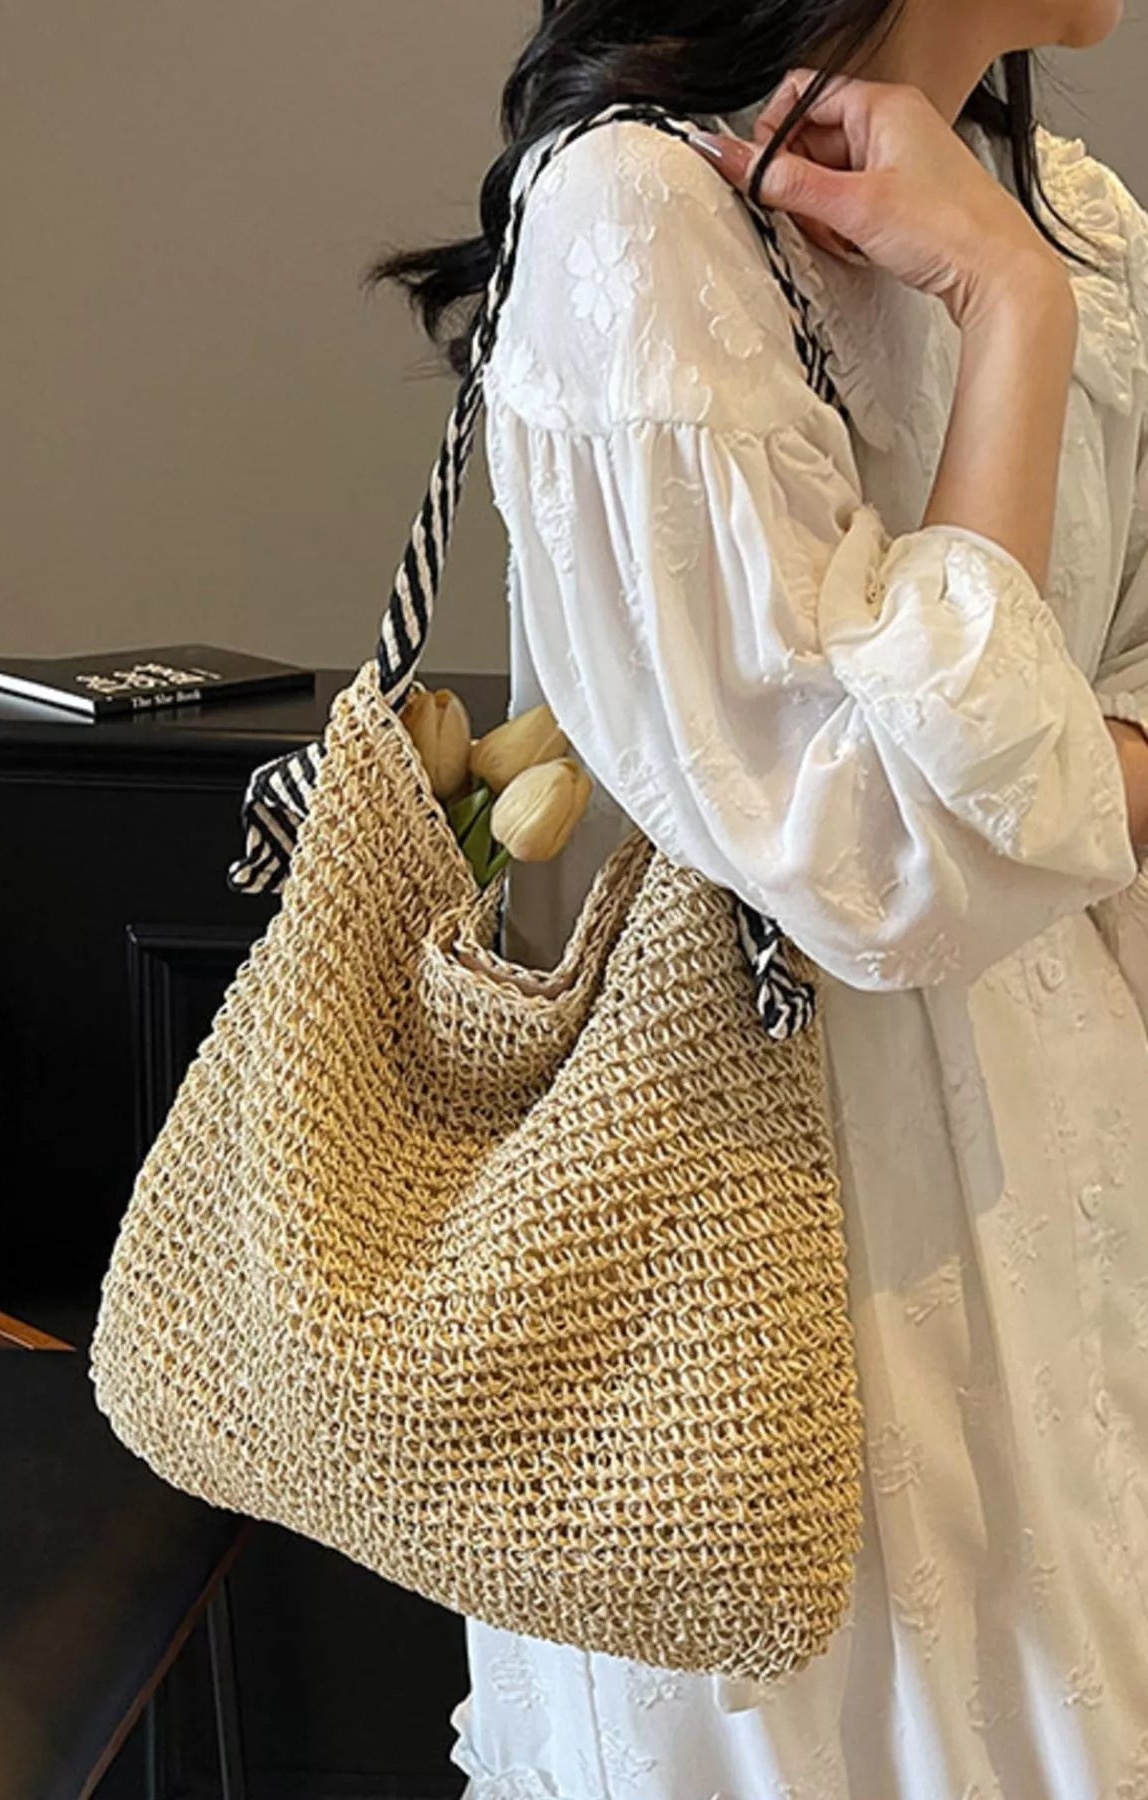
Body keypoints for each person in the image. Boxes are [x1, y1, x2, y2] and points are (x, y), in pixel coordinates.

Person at [367, 1, 1148, 1793]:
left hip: (1070, 1152)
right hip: (787, 1211)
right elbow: (884, 863)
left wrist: (1042, 792)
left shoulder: (1068, 206)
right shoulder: (637, 222)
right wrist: (1004, 312)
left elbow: (1064, 739)